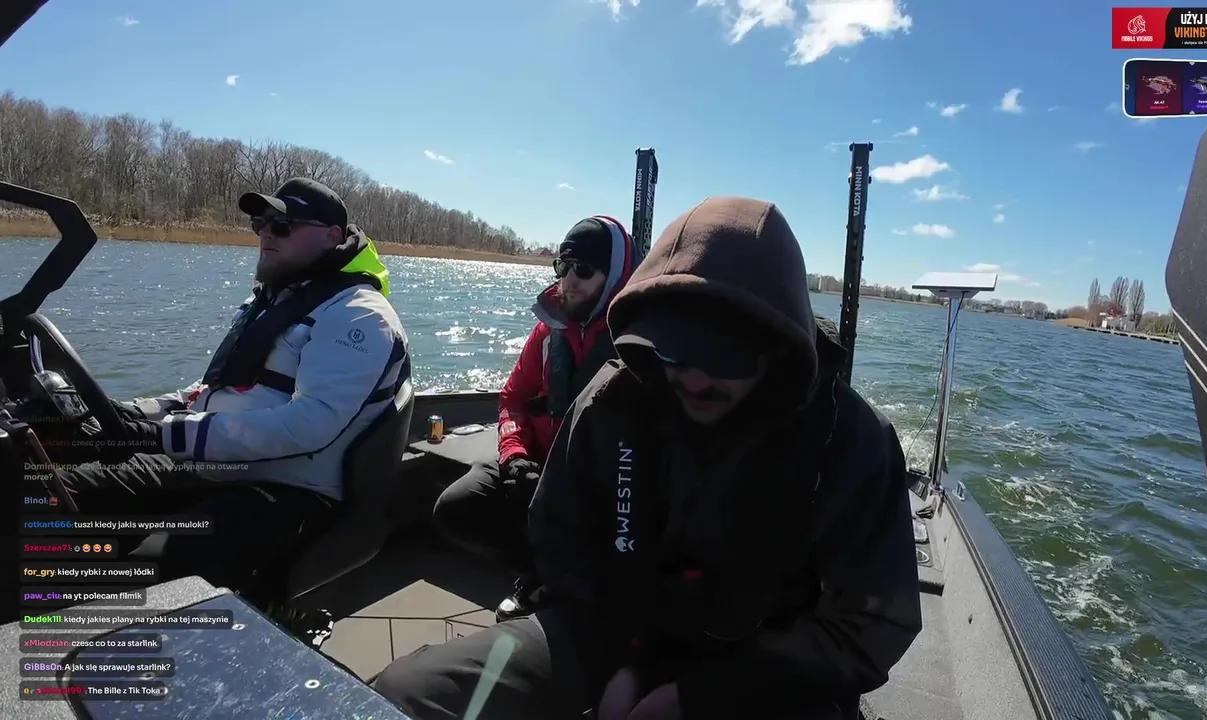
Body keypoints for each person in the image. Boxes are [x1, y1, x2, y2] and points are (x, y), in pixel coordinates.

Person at [373, 197, 923, 719]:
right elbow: (561, 536)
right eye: (674, 350)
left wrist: (701, 698)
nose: (696, 378)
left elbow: (867, 628)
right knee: (410, 694)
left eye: (726, 357)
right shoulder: (615, 396)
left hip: (766, 676)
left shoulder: (851, 440)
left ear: (781, 350)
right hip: (613, 632)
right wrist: (626, 660)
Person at [30, 177, 411, 604]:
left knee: (145, 579)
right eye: (260, 223)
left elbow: (307, 426)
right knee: (47, 492)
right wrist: (127, 414)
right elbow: (211, 391)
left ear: (332, 236)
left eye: (283, 225)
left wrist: (163, 435)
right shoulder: (271, 301)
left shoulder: (359, 316)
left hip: (290, 491)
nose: (267, 233)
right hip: (215, 466)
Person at [431, 215, 635, 621]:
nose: (569, 280)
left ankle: (577, 592)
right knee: (456, 508)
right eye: (563, 266)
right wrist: (515, 457)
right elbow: (513, 399)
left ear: (615, 276)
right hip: (537, 467)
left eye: (584, 269)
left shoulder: (636, 342)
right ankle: (545, 577)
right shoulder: (547, 333)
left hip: (600, 485)